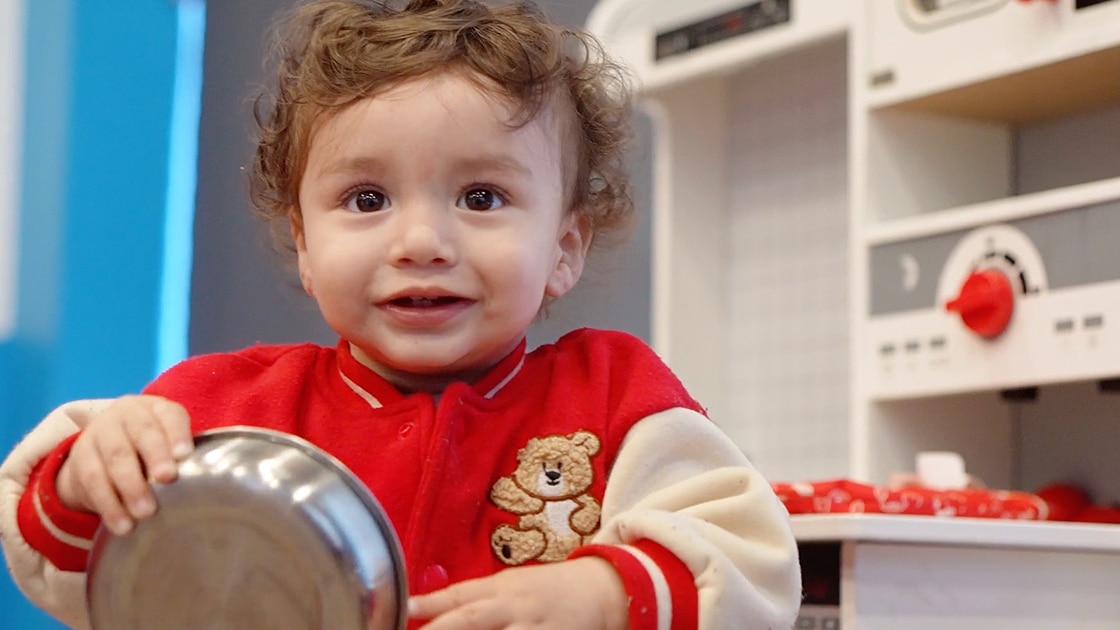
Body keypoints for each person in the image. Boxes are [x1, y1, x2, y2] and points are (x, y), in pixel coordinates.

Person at [0, 1, 802, 628]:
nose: (422, 241)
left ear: (563, 248)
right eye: (368, 199)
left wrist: (601, 595)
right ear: (306, 244)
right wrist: (85, 474)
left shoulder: (615, 397)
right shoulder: (223, 408)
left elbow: (754, 563)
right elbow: (69, 564)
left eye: (481, 197)